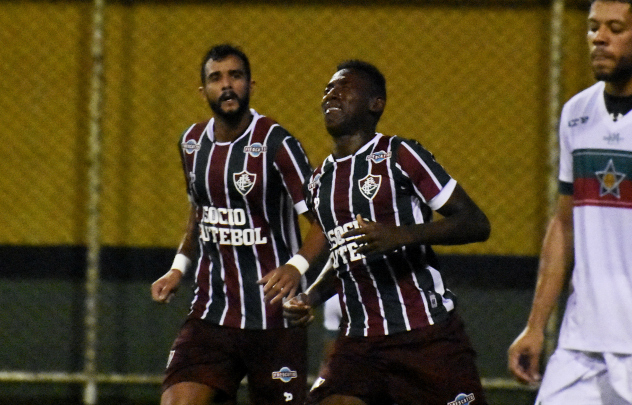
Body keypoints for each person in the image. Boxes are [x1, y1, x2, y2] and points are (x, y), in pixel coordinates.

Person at [507, 1, 632, 404]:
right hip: (580, 340)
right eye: (592, 27)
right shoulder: (576, 112)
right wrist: (535, 325)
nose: (599, 39)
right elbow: (563, 224)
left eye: (615, 28)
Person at [284, 60, 491, 405]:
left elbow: (475, 223)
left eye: (344, 87)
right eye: (328, 89)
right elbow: (343, 254)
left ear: (375, 104)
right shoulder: (318, 182)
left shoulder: (401, 155)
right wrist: (311, 297)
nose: (331, 94)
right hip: (359, 342)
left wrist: (401, 235)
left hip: (425, 336)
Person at [150, 43, 327, 405]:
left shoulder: (278, 143)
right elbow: (199, 212)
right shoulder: (191, 143)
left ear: (251, 85)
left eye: (235, 76)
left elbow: (323, 222)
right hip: (211, 314)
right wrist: (177, 268)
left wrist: (296, 267)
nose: (227, 85)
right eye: (216, 78)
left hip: (275, 317)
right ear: (203, 91)